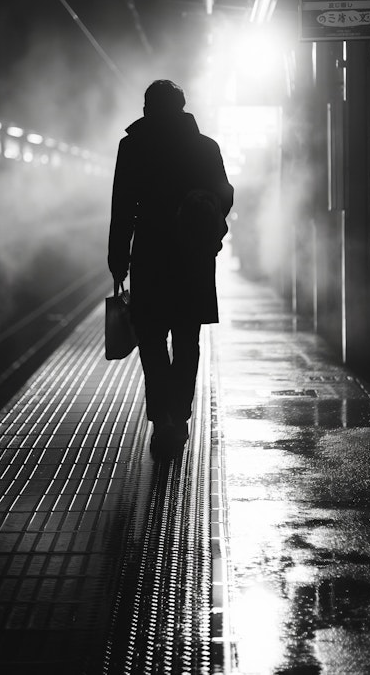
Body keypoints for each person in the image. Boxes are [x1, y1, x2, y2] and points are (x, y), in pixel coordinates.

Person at [108, 79, 234, 457]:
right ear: (181, 108)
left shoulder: (132, 146)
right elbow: (225, 194)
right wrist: (203, 216)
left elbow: (123, 206)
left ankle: (163, 414)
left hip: (149, 254)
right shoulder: (205, 146)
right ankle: (178, 414)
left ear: (148, 107)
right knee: (186, 338)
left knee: (150, 339)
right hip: (192, 255)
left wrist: (118, 258)